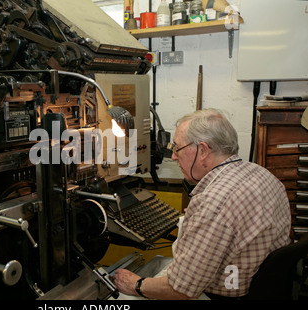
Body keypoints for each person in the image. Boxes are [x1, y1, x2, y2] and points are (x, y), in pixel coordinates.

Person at [113, 108, 292, 300]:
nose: (173, 156)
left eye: (177, 148)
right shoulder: (261, 173)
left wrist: (137, 285)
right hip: (256, 285)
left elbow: (181, 291)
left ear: (203, 150)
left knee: (116, 299)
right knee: (157, 262)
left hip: (222, 294)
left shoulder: (214, 201)